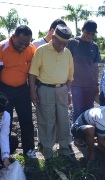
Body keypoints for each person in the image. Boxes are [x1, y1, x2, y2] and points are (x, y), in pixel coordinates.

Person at [0, 25, 36, 158]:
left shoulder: (31, 49)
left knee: (27, 119)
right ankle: (5, 152)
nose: (23, 46)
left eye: (26, 44)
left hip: (22, 89)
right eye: (21, 43)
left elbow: (33, 72)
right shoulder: (1, 48)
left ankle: (29, 150)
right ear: (13, 37)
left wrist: (33, 90)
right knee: (5, 122)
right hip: (5, 90)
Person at [29, 24, 74, 160]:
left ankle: (64, 150)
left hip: (62, 90)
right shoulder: (41, 51)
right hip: (45, 90)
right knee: (47, 120)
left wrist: (68, 91)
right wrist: (32, 91)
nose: (61, 46)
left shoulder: (67, 53)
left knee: (63, 120)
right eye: (59, 42)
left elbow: (70, 74)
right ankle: (48, 151)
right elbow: (32, 73)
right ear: (52, 37)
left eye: (64, 44)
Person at [66, 20, 101, 146]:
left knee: (89, 110)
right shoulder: (72, 43)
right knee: (77, 110)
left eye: (92, 34)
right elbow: (66, 62)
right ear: (82, 29)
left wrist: (96, 84)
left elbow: (96, 66)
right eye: (87, 32)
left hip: (90, 85)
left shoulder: (94, 46)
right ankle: (77, 135)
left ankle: (87, 134)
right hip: (76, 84)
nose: (89, 36)